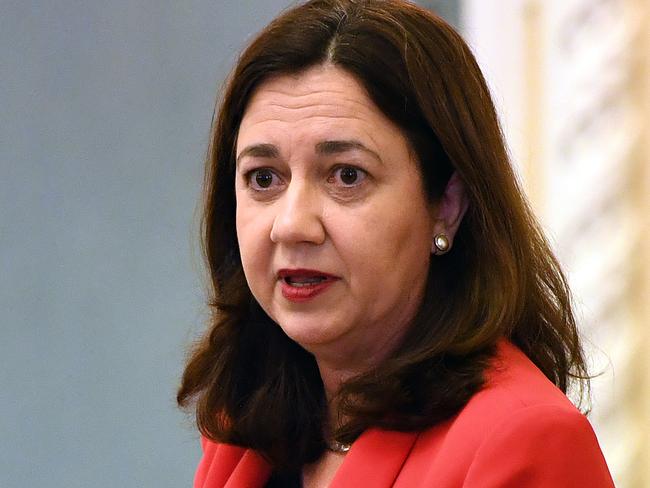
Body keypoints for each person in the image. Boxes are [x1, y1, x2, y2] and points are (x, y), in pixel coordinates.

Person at [177, 1, 615, 486]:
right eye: (264, 178)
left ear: (447, 203)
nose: (291, 225)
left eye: (346, 175)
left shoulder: (525, 441)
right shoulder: (243, 432)